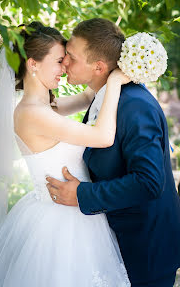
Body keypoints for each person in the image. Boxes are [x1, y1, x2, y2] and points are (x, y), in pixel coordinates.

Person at [0, 21, 131, 286]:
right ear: (33, 64)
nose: (65, 66)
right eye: (59, 60)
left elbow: (86, 96)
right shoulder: (32, 114)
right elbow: (103, 137)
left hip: (75, 210)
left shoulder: (45, 108)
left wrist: (109, 65)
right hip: (59, 221)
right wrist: (115, 81)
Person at [46, 18, 180, 287]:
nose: (64, 63)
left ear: (98, 67)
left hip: (145, 250)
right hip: (119, 242)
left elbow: (149, 182)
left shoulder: (134, 106)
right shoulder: (105, 95)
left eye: (71, 57)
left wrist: (82, 194)